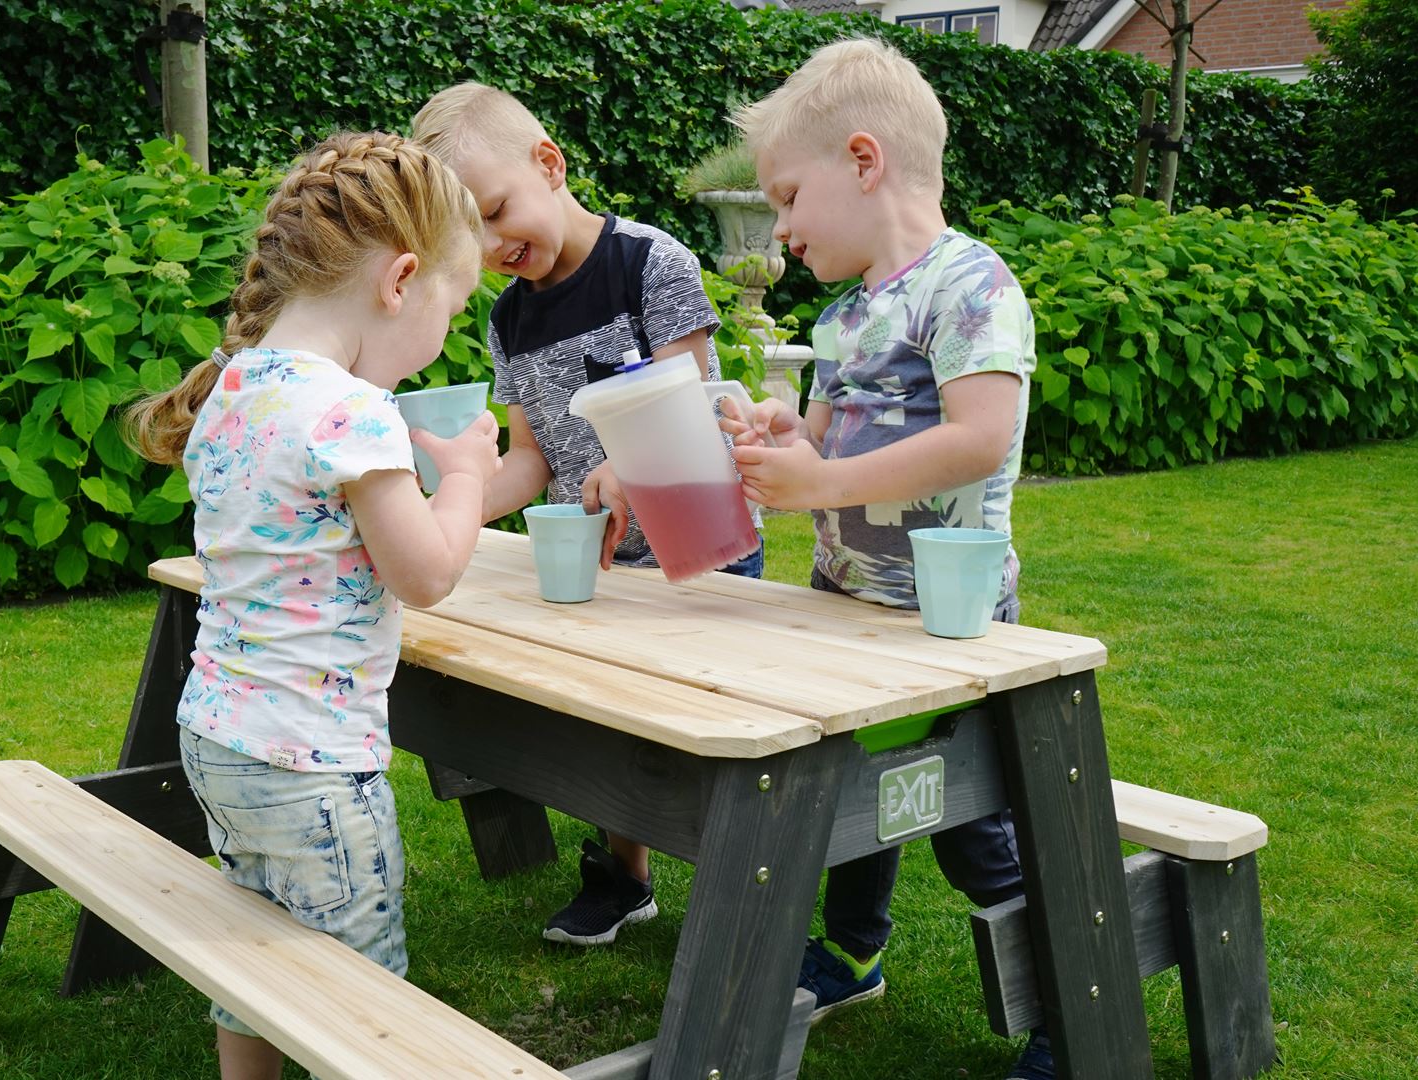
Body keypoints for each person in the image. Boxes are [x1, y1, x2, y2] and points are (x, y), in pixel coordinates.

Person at [125, 131, 498, 1080]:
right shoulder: (354, 411)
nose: (439, 342)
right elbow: (425, 574)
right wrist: (464, 475)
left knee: (253, 946)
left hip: (219, 735)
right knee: (358, 1000)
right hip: (313, 762)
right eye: (450, 310)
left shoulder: (233, 388)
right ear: (400, 278)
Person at [720, 38, 1050, 1080]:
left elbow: (977, 437)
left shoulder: (968, 287)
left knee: (966, 823)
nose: (777, 228)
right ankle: (854, 953)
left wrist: (814, 484)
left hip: (946, 625)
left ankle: (1060, 1001)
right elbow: (826, 447)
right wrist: (787, 437)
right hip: (848, 607)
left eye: (784, 196)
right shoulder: (846, 311)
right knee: (848, 799)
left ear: (863, 160)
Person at [411, 81, 766, 950]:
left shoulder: (650, 264)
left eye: (497, 213)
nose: (494, 246)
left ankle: (751, 876)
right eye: (472, 237)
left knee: (706, 732)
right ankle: (625, 879)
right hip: (596, 563)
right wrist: (446, 504)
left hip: (697, 546)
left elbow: (688, 402)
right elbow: (530, 457)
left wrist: (626, 456)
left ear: (549, 164)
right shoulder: (507, 318)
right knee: (600, 727)